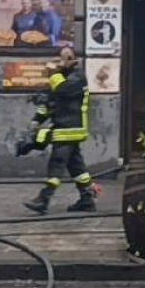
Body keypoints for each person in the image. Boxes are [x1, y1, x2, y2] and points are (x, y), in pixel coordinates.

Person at [23, 47, 95, 214]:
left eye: (60, 60)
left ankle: (43, 199)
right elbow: (50, 103)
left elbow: (62, 90)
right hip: (64, 129)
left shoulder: (77, 77)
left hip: (69, 129)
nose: (56, 64)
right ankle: (87, 199)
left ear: (70, 59)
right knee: (76, 167)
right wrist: (36, 121)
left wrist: (54, 73)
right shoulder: (60, 79)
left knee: (56, 164)